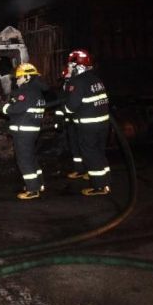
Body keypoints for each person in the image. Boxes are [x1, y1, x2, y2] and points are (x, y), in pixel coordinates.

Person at [0, 63, 48, 200]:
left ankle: (32, 190)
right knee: (30, 158)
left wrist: (1, 106)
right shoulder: (36, 91)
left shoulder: (27, 91)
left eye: (19, 78)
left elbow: (14, 109)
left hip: (23, 132)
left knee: (24, 160)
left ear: (27, 77)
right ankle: (38, 184)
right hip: (30, 131)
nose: (17, 80)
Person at [63, 49, 112, 196]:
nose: (69, 69)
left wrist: (65, 109)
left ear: (79, 67)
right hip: (103, 124)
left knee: (90, 153)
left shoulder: (77, 82)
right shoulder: (96, 79)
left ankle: (99, 187)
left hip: (88, 125)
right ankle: (106, 180)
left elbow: (71, 107)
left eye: (71, 66)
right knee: (98, 152)